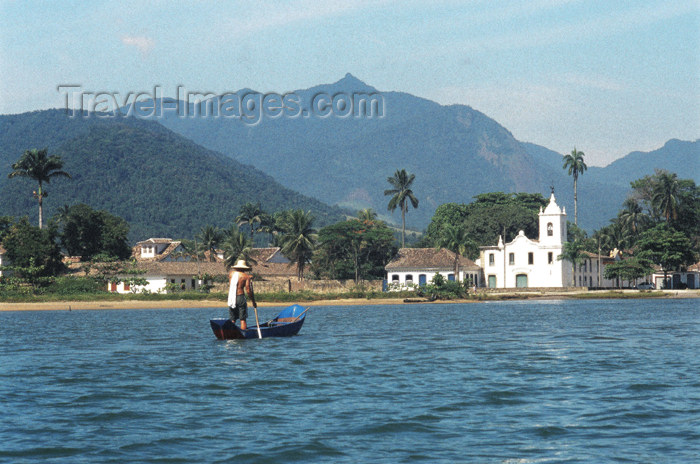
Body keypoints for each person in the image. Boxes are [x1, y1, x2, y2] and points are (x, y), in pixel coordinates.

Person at [227, 259, 257, 330]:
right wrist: (253, 301)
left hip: (232, 298)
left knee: (232, 319)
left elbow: (232, 284)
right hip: (240, 297)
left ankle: (231, 333)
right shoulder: (246, 277)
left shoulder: (231, 274)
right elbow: (248, 291)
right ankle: (243, 333)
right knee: (242, 319)